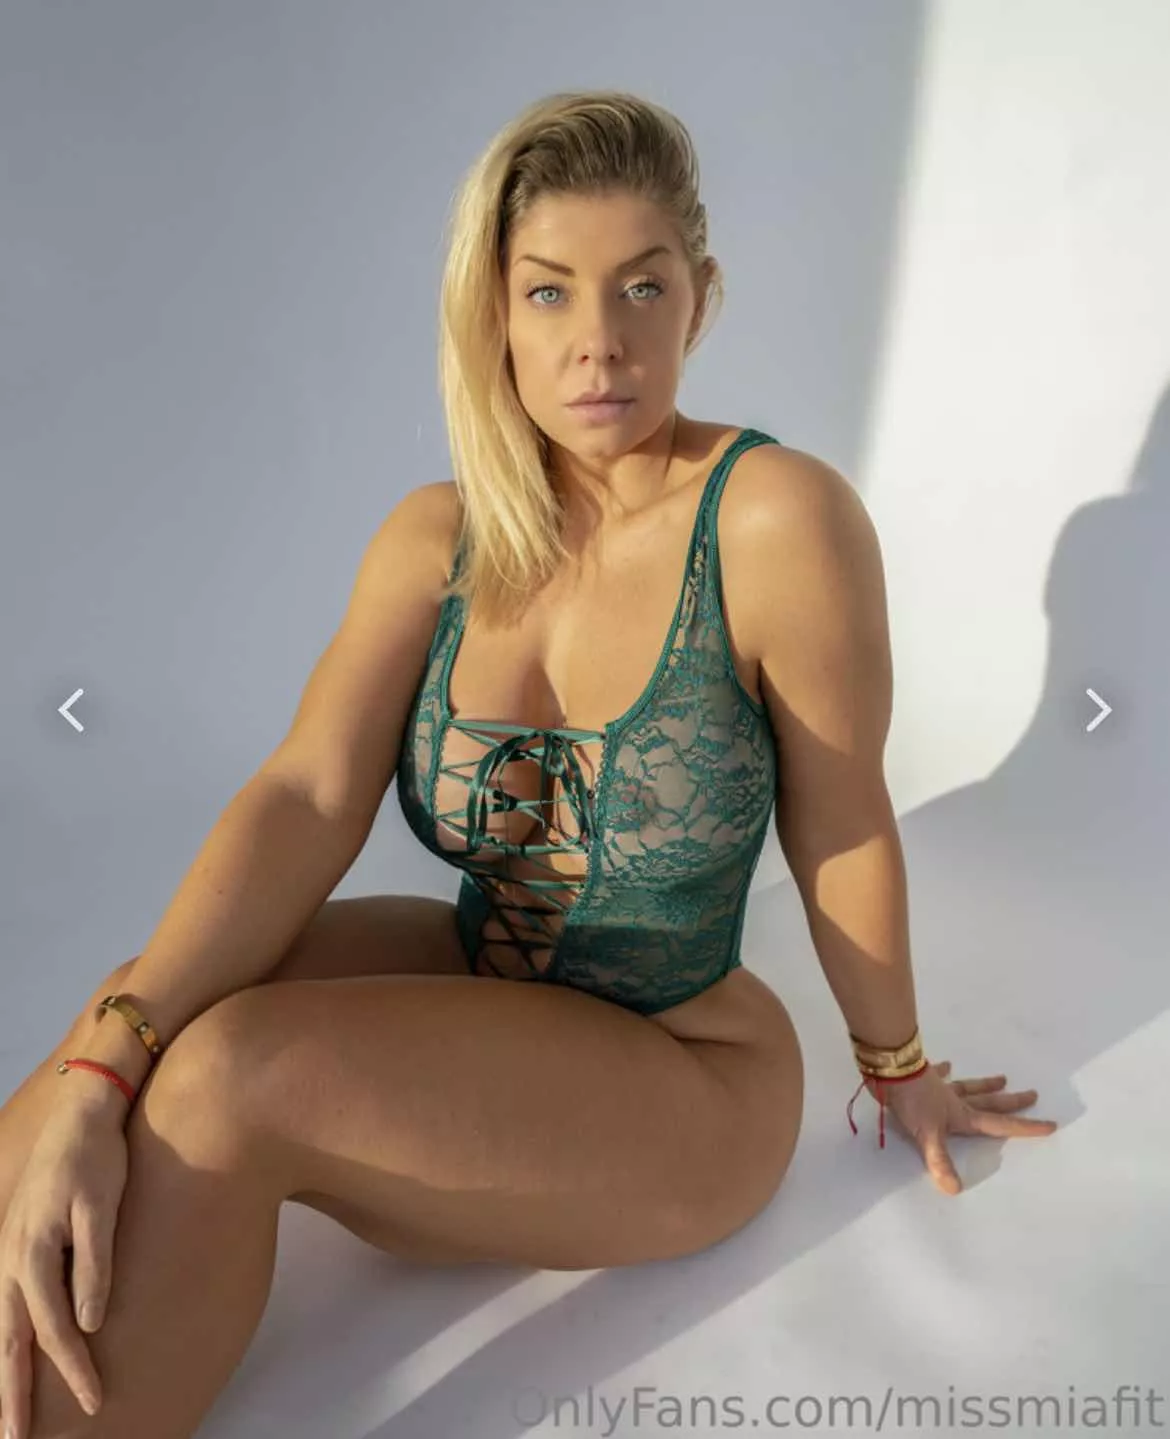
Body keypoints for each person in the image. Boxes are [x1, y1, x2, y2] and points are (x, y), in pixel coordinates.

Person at [0, 89, 1057, 1439]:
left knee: (228, 1073)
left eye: (641, 287)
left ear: (701, 298)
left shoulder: (774, 520)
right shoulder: (437, 537)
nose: (598, 341)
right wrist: (103, 1074)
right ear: (493, 312)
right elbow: (306, 793)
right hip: (478, 985)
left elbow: (840, 820)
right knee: (137, 1009)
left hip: (681, 1068)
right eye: (549, 292)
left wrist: (898, 1065)